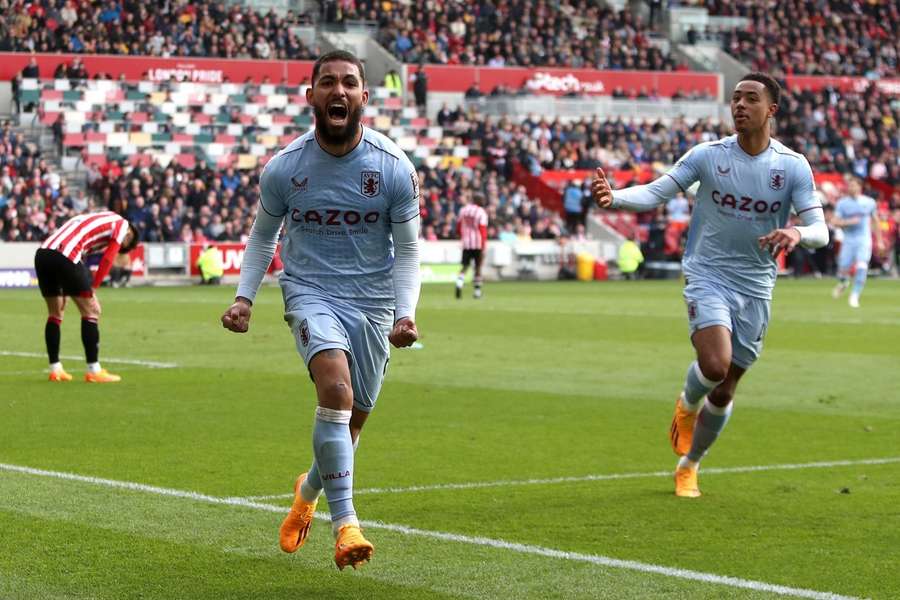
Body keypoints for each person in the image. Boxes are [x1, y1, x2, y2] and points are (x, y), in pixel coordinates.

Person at [220, 50, 421, 570]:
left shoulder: (393, 168)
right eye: (327, 82)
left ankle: (307, 491)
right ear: (310, 96)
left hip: (373, 305)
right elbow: (263, 239)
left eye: (349, 83)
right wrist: (244, 298)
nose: (338, 90)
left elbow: (409, 251)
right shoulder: (285, 169)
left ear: (363, 97)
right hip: (310, 291)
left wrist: (404, 313)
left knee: (350, 427)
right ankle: (347, 525)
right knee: (335, 389)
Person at [592, 73, 828, 498]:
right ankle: (686, 404)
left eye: (750, 99)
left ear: (771, 110)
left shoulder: (792, 166)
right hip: (708, 273)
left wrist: (796, 233)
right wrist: (618, 197)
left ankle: (690, 465)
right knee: (715, 366)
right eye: (735, 98)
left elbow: (821, 231)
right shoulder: (707, 155)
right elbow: (658, 191)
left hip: (756, 285)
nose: (739, 105)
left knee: (727, 386)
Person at [34, 211, 139, 383]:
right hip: (66, 255)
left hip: (43, 254)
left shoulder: (93, 218)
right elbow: (108, 258)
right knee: (92, 311)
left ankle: (55, 369)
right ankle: (93, 370)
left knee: (55, 313)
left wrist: (68, 287)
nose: (120, 245)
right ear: (129, 235)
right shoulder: (122, 225)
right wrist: (94, 289)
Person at [831, 177, 882, 308]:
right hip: (848, 240)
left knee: (861, 266)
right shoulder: (842, 203)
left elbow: (876, 221)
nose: (852, 188)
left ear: (860, 187)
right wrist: (848, 222)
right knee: (843, 268)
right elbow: (834, 222)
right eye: (850, 186)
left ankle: (854, 295)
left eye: (854, 186)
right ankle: (844, 282)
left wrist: (880, 241)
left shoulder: (869, 202)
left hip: (864, 239)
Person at [455, 192, 489, 299]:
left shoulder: (463, 210)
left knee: (465, 266)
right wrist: (484, 245)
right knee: (478, 267)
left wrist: (462, 237)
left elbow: (459, 226)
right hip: (478, 243)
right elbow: (482, 230)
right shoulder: (481, 212)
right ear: (477, 200)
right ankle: (477, 292)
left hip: (466, 243)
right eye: (482, 199)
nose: (483, 201)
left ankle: (459, 284)